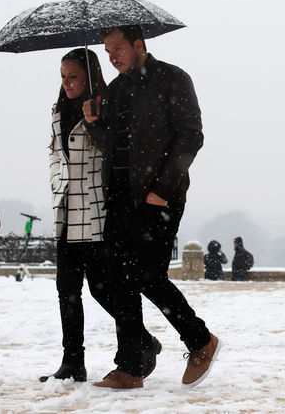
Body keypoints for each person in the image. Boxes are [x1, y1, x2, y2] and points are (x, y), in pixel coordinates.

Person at [83, 25, 221, 389]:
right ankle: (130, 368)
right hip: (119, 195)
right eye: (108, 51)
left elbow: (192, 135)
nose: (112, 56)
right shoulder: (115, 90)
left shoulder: (173, 79)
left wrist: (162, 188)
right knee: (120, 281)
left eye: (117, 49)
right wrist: (94, 123)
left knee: (147, 275)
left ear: (139, 44)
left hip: (159, 197)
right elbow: (110, 145)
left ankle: (200, 340)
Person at [40, 48, 160, 383]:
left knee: (101, 289)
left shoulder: (107, 106)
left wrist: (96, 122)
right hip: (67, 210)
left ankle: (141, 341)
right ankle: (72, 362)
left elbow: (116, 150)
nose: (67, 83)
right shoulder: (57, 111)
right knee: (66, 290)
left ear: (90, 75)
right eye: (63, 77)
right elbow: (53, 155)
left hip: (97, 211)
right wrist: (56, 182)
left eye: (74, 76)